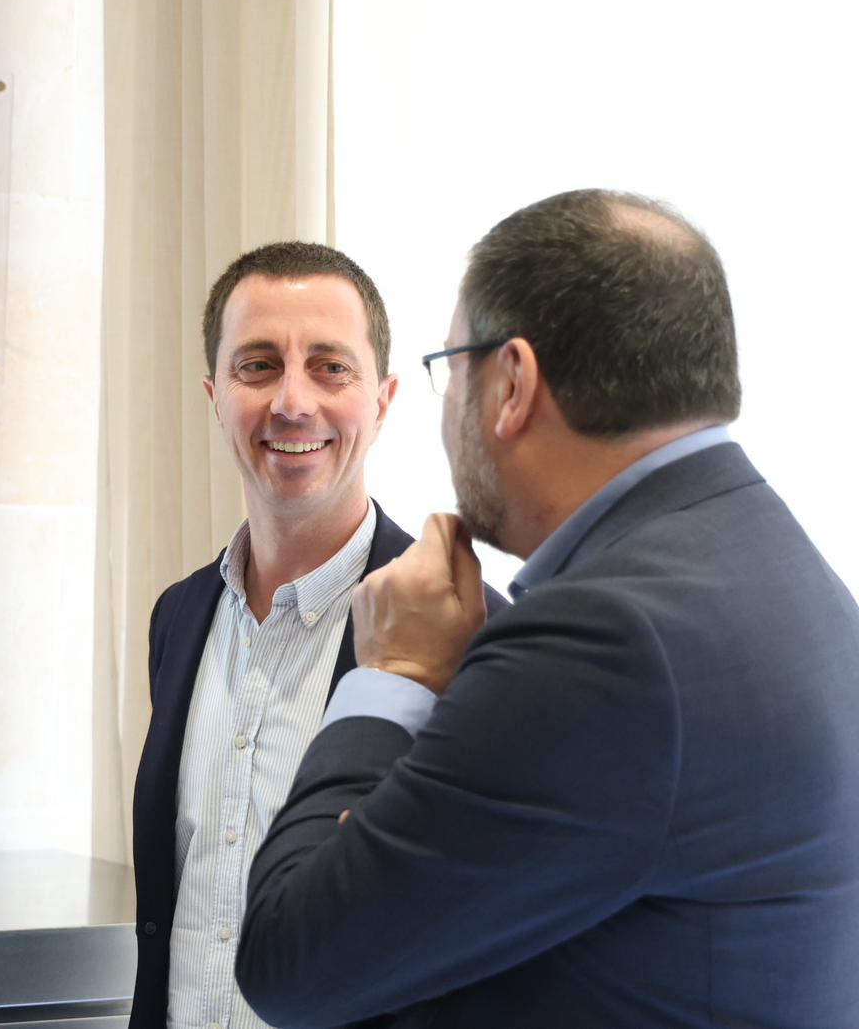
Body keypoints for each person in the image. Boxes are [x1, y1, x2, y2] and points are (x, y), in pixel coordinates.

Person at [236, 190, 859, 1028]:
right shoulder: (778, 561)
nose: (449, 407)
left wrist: (395, 676)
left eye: (451, 369)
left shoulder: (602, 643)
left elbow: (289, 960)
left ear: (512, 382)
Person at [128, 242, 504, 1029]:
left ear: (384, 398)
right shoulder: (179, 616)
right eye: (257, 366)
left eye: (331, 367)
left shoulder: (468, 626)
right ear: (214, 393)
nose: (291, 402)